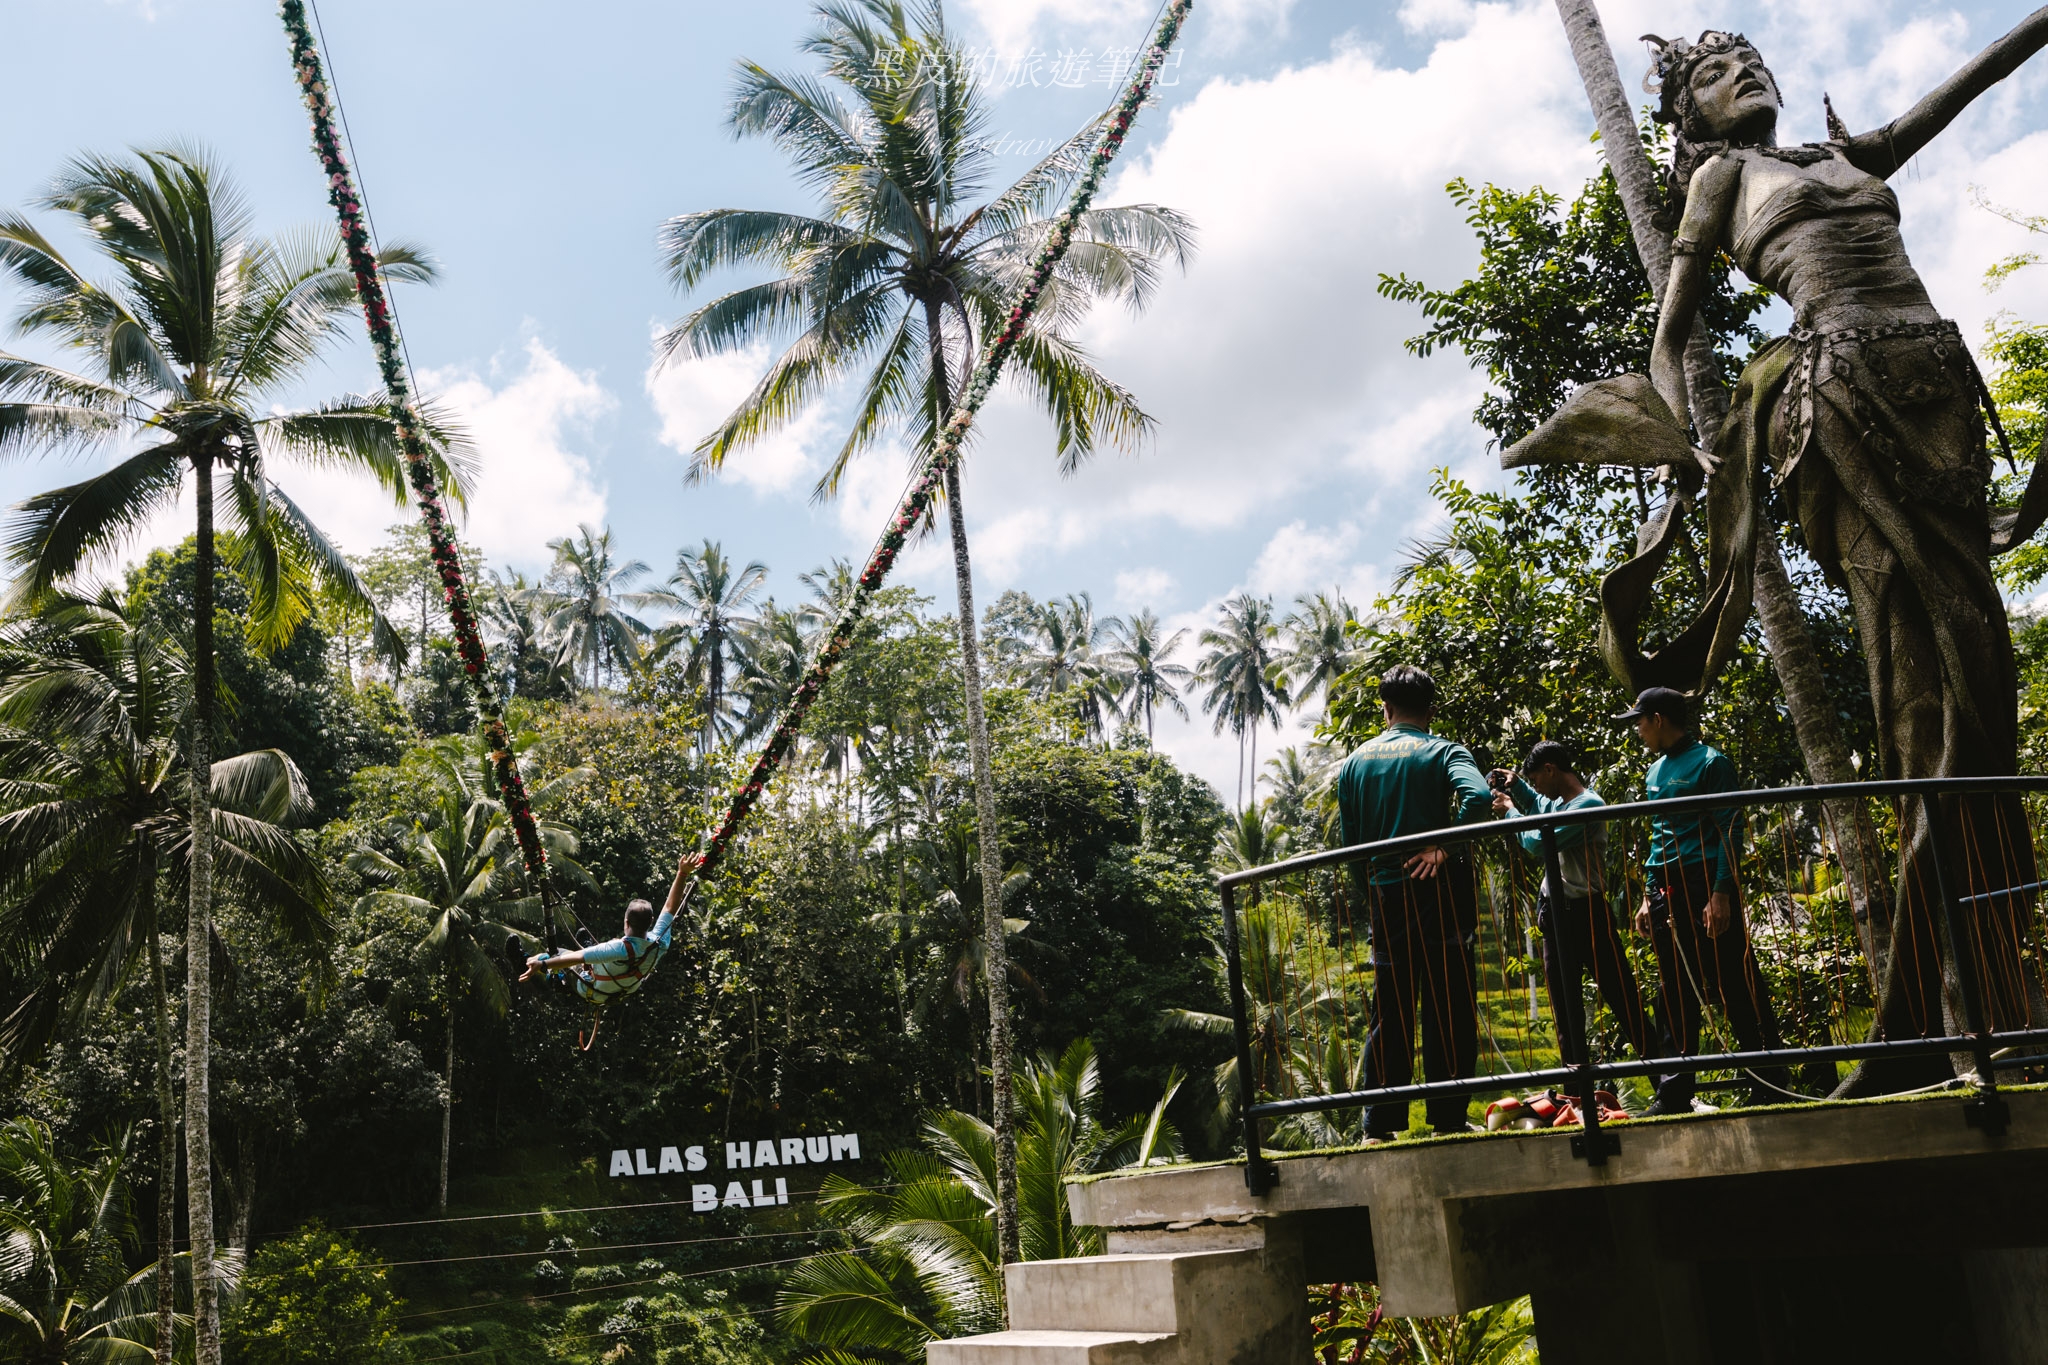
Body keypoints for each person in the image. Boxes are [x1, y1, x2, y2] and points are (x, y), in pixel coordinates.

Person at [1336, 664, 1493, 1141]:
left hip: (1387, 894)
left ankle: (1379, 1125)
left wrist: (1376, 893)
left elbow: (1350, 847)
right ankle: (1447, 1119)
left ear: (1385, 708)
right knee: (1449, 1004)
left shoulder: (1355, 762)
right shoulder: (1443, 750)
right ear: (1430, 709)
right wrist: (1443, 849)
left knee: (1391, 1008)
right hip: (1439, 892)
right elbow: (1479, 797)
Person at [1619, 688, 1786, 1114]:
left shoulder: (1712, 762)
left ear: (1658, 719)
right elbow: (1658, 834)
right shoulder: (1654, 770)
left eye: (1639, 721)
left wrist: (1721, 894)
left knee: (1734, 980)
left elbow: (1731, 829)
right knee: (1673, 988)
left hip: (1704, 883)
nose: (1636, 730)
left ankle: (1770, 1079)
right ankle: (1675, 1093)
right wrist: (1646, 894)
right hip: (1665, 889)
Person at [1491, 741, 1657, 1071]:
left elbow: (1540, 842)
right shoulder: (1562, 804)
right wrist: (1519, 786)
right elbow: (1541, 805)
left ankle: (1668, 1085)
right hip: (1555, 916)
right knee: (1566, 1014)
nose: (1537, 786)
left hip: (1588, 914)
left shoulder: (1587, 804)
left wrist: (1511, 811)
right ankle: (1577, 1099)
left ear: (1551, 770)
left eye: (1536, 778)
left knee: (1624, 1001)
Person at [514, 850, 701, 1001]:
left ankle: (525, 962)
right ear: (650, 923)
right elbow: (670, 907)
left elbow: (576, 958)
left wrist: (543, 962)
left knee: (559, 953)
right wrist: (682, 873)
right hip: (622, 990)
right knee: (596, 951)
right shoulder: (659, 942)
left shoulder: (618, 948)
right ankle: (588, 950)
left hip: (592, 989)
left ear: (626, 922)